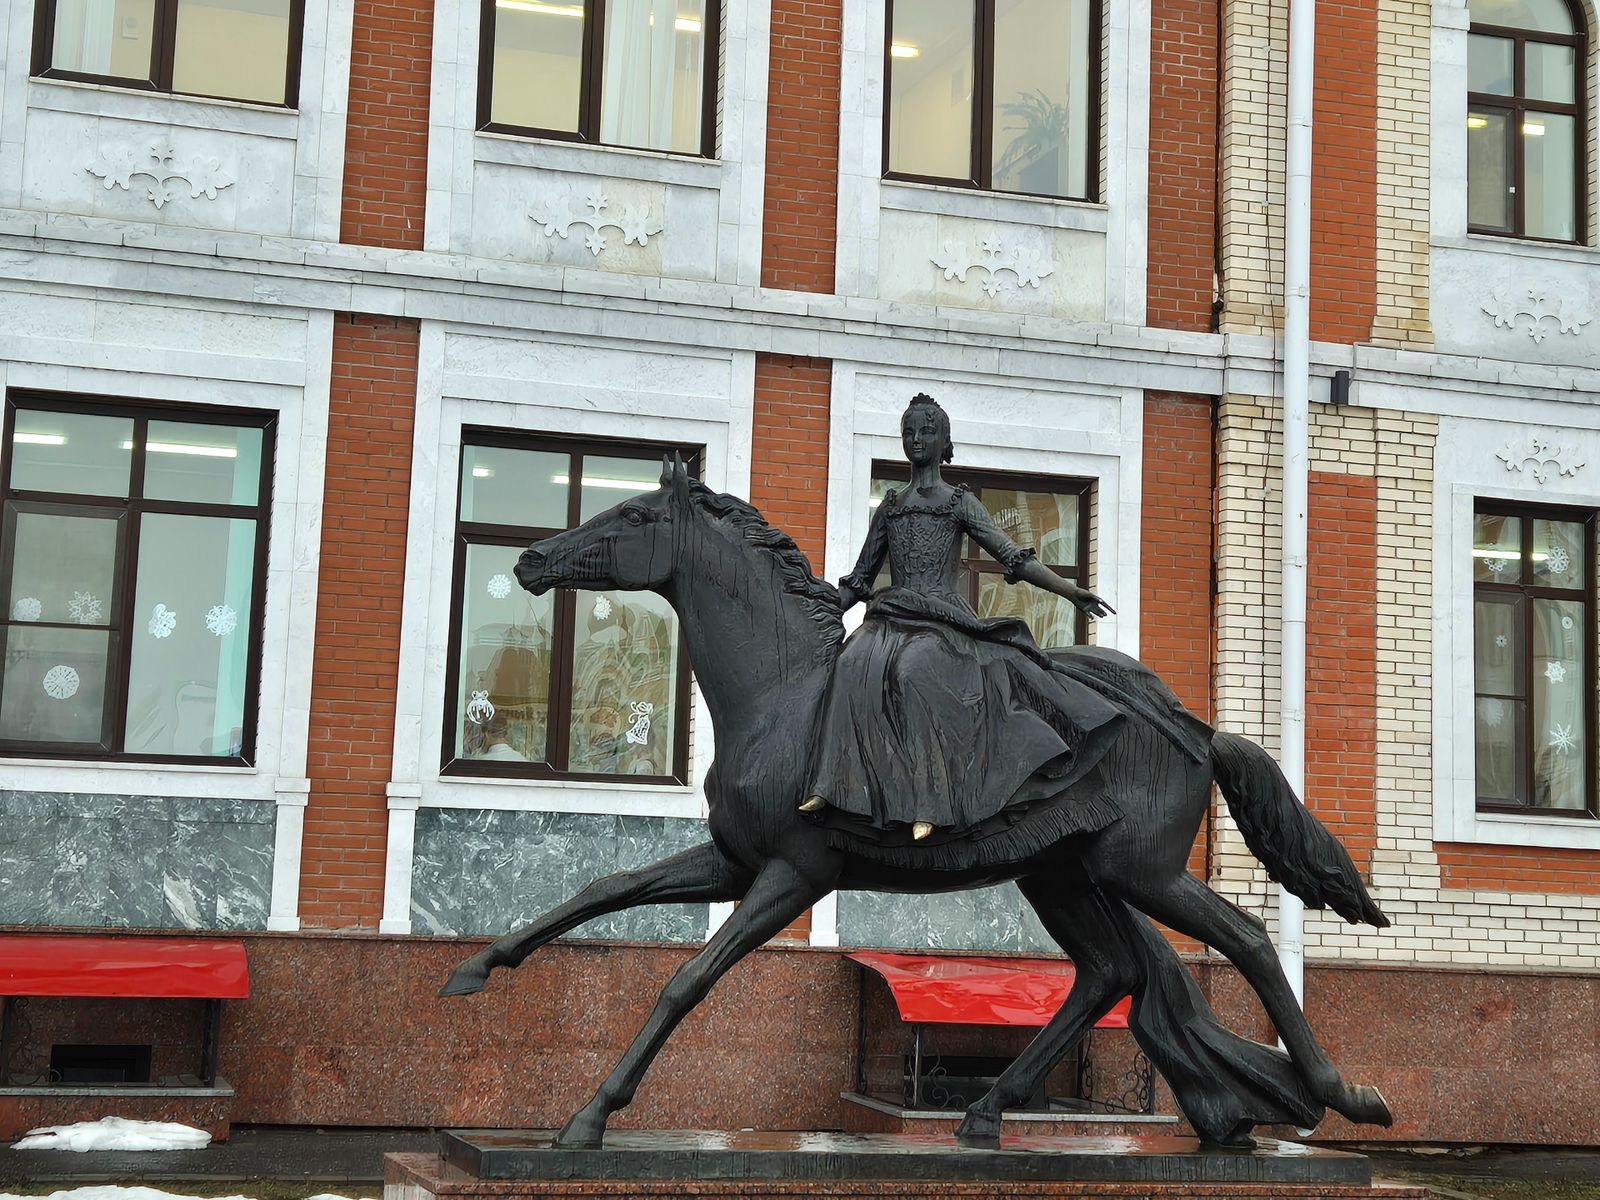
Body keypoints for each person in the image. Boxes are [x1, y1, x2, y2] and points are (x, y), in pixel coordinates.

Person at [800, 393, 1121, 843]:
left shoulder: (958, 502)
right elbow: (859, 580)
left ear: (944, 441)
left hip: (943, 622)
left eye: (927, 431)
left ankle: (930, 802)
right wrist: (814, 605)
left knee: (913, 671)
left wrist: (1069, 591)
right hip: (892, 616)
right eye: (909, 431)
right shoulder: (891, 506)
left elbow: (1011, 556)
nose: (916, 439)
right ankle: (831, 787)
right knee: (851, 663)